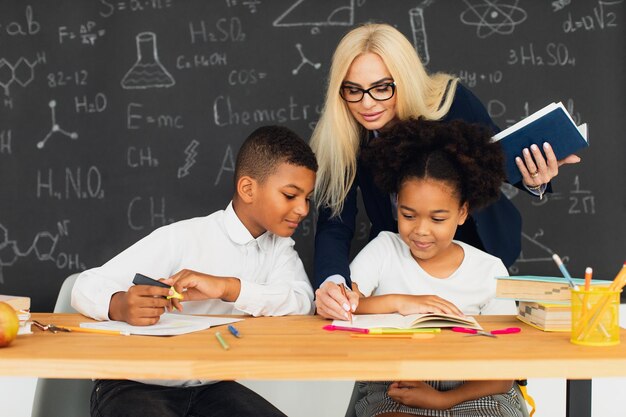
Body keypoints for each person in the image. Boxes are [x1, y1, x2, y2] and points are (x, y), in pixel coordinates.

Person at [310, 23, 580, 320]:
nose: (367, 103)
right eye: (353, 90)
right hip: (400, 260)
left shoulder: (449, 102)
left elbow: (496, 155)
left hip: (474, 252)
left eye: (382, 88)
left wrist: (533, 178)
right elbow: (334, 222)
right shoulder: (342, 137)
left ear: (404, 79)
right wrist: (333, 283)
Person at [71, 125, 317, 417]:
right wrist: (119, 304)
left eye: (307, 198)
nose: (303, 209)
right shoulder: (183, 237)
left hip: (209, 387)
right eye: (291, 195)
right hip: (134, 383)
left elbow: (302, 302)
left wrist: (229, 288)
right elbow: (84, 286)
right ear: (248, 189)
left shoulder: (280, 250)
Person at [350, 118, 525, 417]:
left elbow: (503, 371)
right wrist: (400, 302)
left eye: (438, 219)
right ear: (396, 206)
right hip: (397, 385)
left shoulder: (488, 269)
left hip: (474, 388)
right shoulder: (384, 249)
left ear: (462, 213)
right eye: (408, 215)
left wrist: (445, 400)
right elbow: (340, 306)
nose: (421, 230)